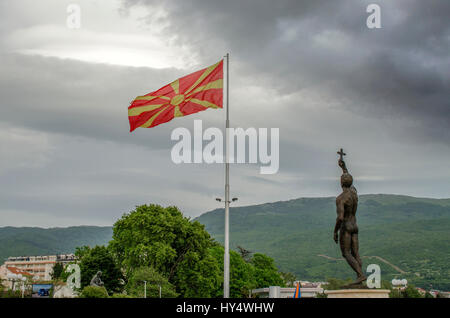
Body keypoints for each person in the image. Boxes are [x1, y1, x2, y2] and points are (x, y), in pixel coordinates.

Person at [333, 157, 367, 284]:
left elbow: (340, 217)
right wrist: (344, 168)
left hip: (346, 227)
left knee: (346, 253)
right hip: (355, 226)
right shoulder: (354, 193)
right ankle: (360, 277)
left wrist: (335, 231)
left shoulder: (341, 198)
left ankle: (360, 274)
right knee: (356, 252)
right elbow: (350, 183)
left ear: (341, 183)